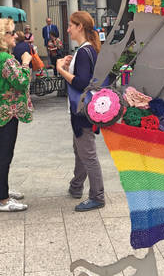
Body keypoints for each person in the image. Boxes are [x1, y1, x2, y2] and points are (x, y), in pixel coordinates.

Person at [0, 18, 33, 212]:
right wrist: (26, 63)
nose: (16, 36)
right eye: (12, 33)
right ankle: (2, 199)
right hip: (8, 111)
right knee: (4, 154)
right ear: (2, 37)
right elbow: (21, 82)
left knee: (3, 152)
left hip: (1, 110)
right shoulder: (5, 59)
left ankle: (1, 191)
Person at [56, 11, 105, 212]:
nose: (68, 29)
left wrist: (61, 70)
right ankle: (76, 186)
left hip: (82, 110)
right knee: (80, 150)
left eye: (70, 25)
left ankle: (97, 196)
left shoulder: (84, 52)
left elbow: (83, 83)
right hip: (86, 109)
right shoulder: (88, 49)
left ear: (80, 27)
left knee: (88, 153)